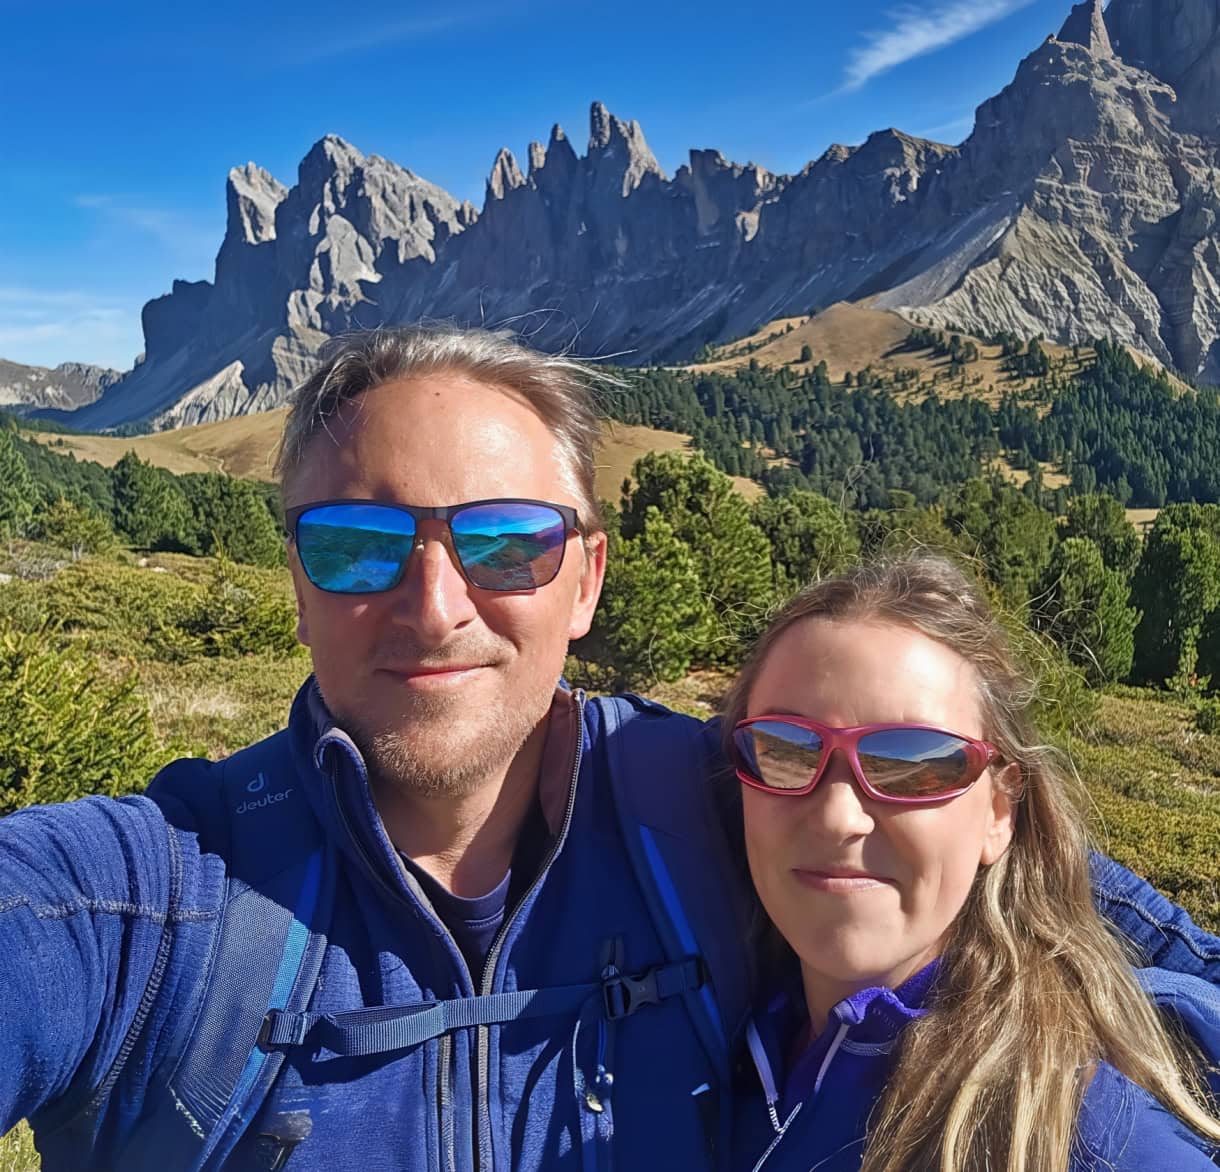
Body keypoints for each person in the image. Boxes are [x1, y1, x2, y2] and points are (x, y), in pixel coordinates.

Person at [0, 327, 1214, 1171]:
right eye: (359, 543)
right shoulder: (146, 902)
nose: (433, 605)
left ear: (583, 577)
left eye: (508, 542)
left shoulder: (724, 791)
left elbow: (1056, 899)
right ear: (297, 577)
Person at [725, 554, 1220, 1171]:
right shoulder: (706, 1039)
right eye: (787, 750)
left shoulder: (1086, 1136)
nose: (836, 816)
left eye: (911, 764)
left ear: (999, 812)